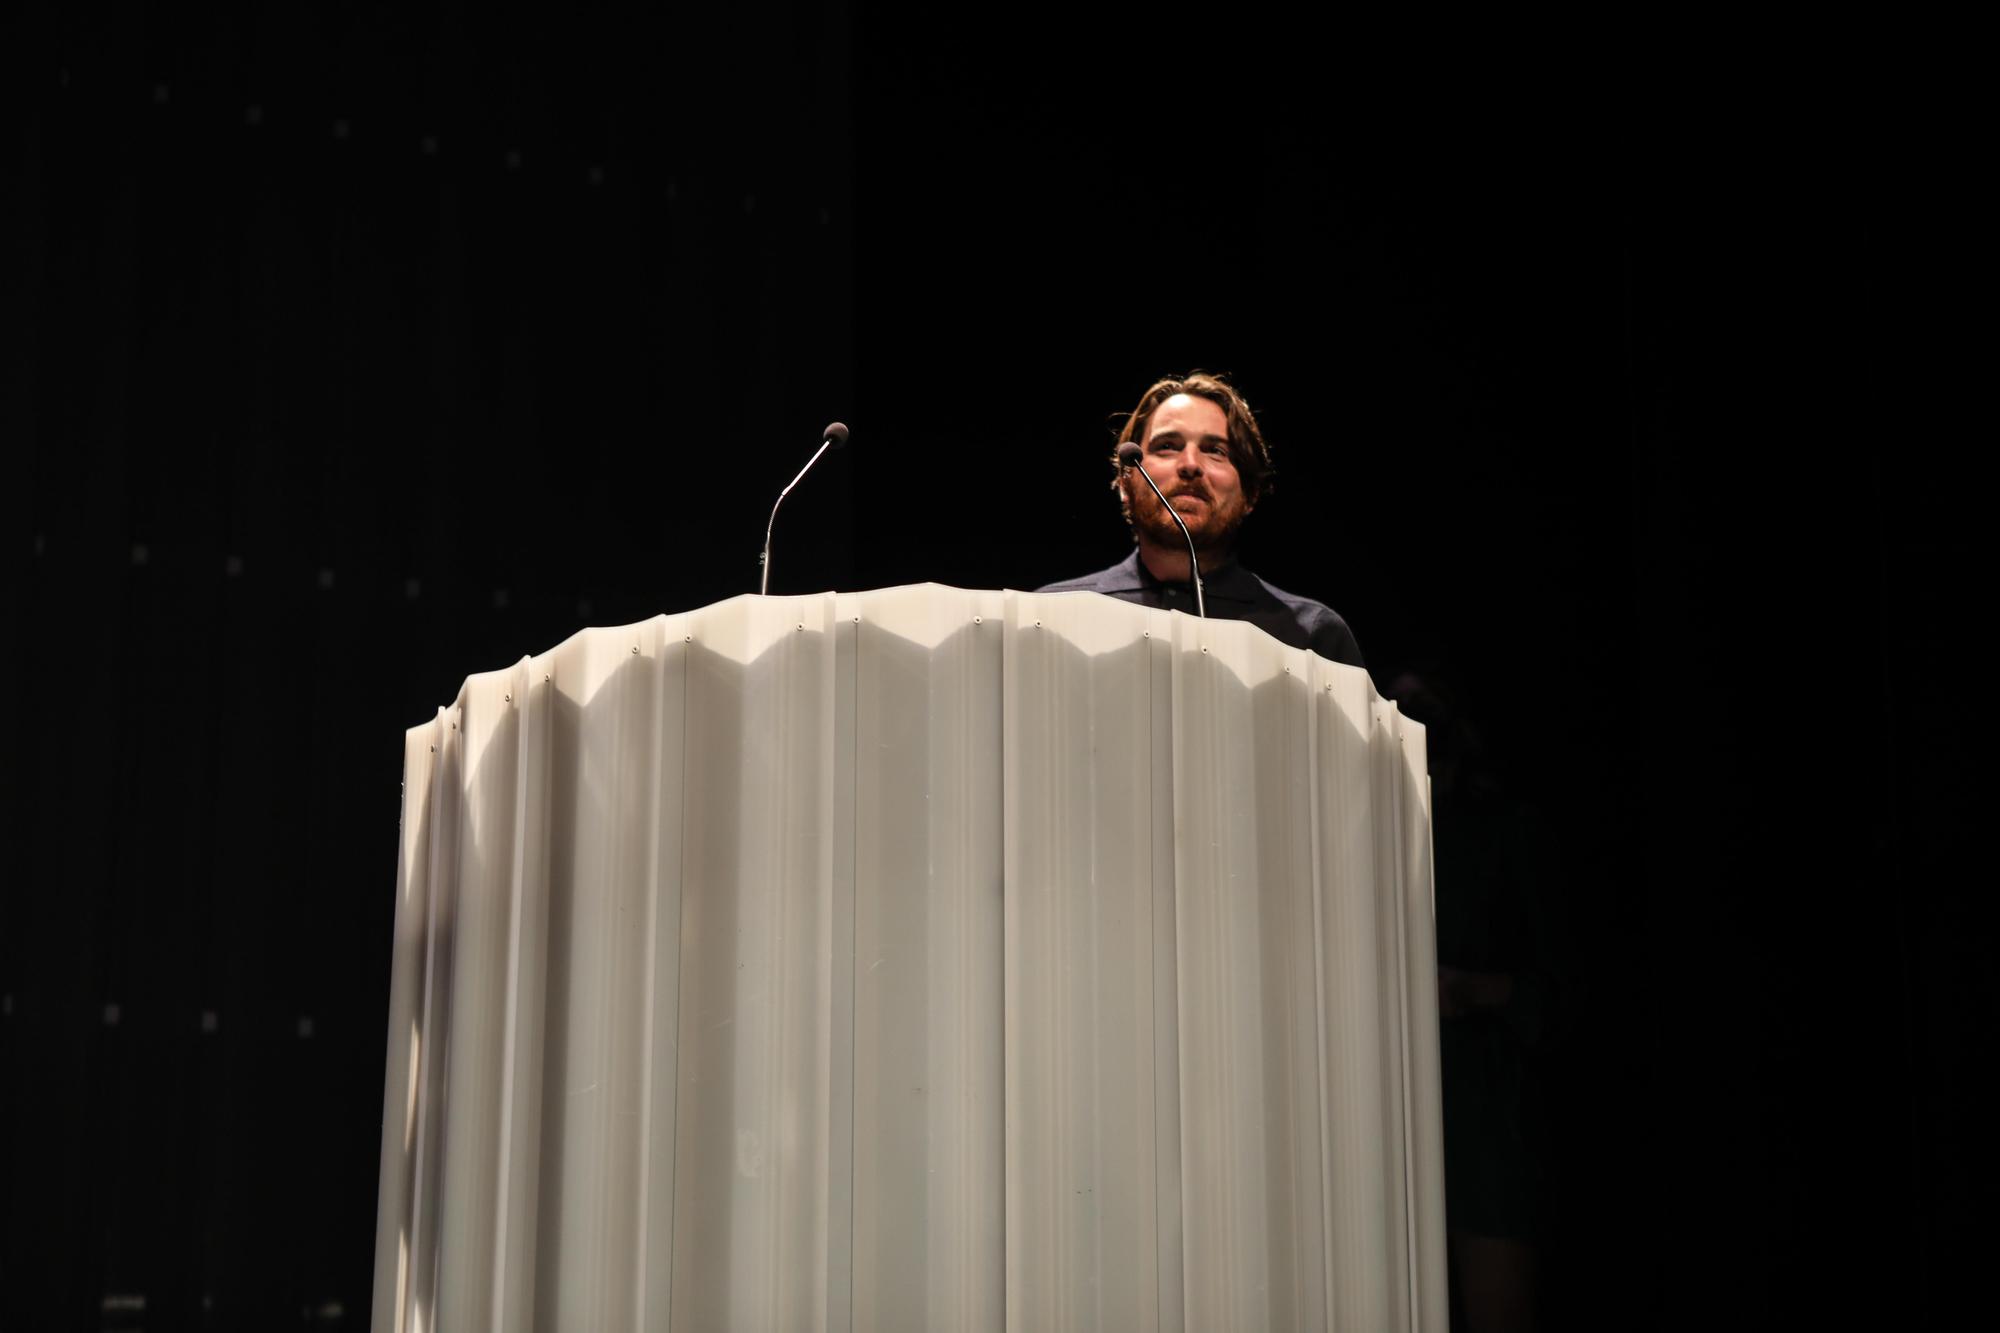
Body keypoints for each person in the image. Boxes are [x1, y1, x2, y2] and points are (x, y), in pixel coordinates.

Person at [1037, 371, 1365, 668]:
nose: (1190, 464)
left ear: (1250, 494)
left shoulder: (1312, 637)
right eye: (1167, 446)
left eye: (1215, 450)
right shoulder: (1050, 618)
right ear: (1126, 484)